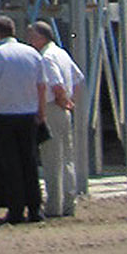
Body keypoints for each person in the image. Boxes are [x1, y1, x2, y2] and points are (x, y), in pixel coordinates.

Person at [0, 16, 47, 225]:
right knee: (30, 162)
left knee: (11, 164)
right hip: (28, 114)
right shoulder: (32, 54)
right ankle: (35, 208)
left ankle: (16, 209)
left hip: (4, 115)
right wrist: (41, 112)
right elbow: (41, 86)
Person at [25, 20, 83, 218]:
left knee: (52, 160)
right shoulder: (61, 53)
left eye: (32, 37)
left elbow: (56, 84)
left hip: (51, 108)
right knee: (67, 158)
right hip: (63, 111)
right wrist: (70, 102)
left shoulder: (46, 57)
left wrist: (61, 99)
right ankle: (69, 203)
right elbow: (78, 79)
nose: (30, 41)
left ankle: (54, 205)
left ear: (41, 37)